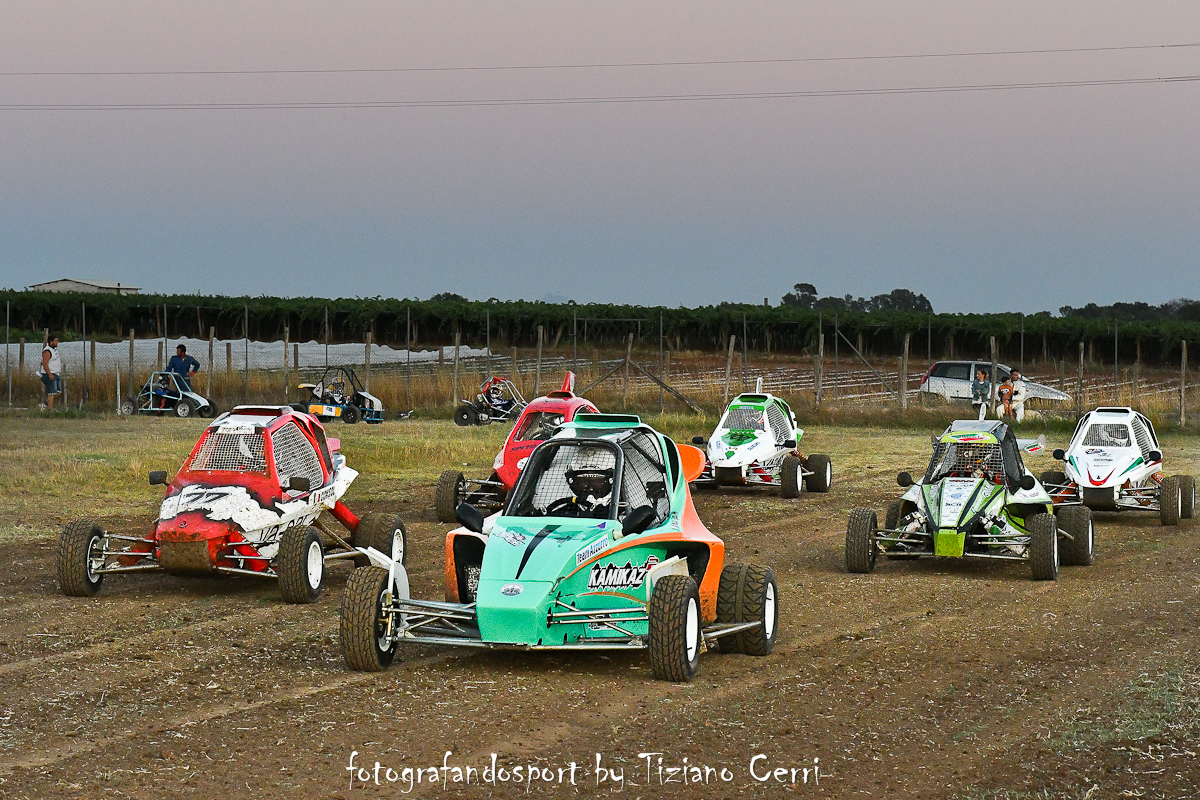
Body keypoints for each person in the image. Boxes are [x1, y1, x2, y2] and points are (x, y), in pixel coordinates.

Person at [550, 449, 616, 518]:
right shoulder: (562, 515)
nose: (590, 489)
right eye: (584, 482)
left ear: (612, 481)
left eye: (598, 482)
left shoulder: (622, 514)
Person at [37, 334, 63, 411]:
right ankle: (50, 409)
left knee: (58, 392)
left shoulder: (54, 350)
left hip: (56, 374)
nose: (57, 342)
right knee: (51, 392)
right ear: (51, 342)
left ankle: (45, 404)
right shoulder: (47, 351)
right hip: (49, 374)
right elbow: (44, 363)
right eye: (56, 341)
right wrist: (50, 374)